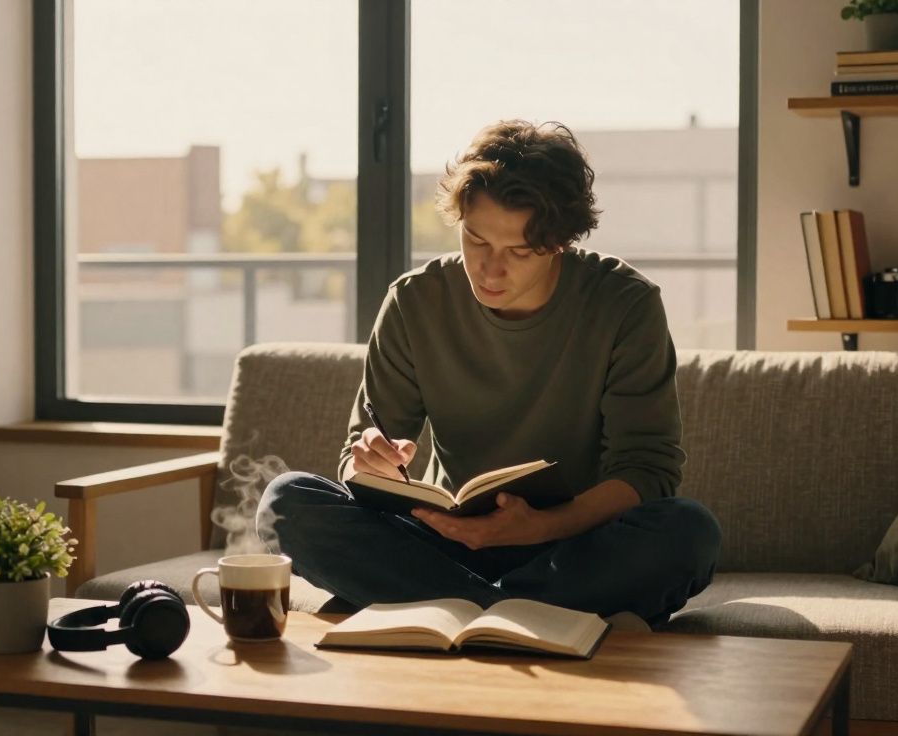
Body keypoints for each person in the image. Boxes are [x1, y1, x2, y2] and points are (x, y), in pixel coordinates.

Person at [256, 120, 720, 626]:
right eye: (475, 240)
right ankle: (514, 611)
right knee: (285, 503)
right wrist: (372, 463)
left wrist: (540, 527)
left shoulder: (625, 304)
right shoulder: (415, 300)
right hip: (442, 542)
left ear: (561, 242)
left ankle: (454, 607)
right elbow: (358, 457)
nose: (489, 270)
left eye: (519, 251)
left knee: (688, 532)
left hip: (570, 547)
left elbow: (647, 471)